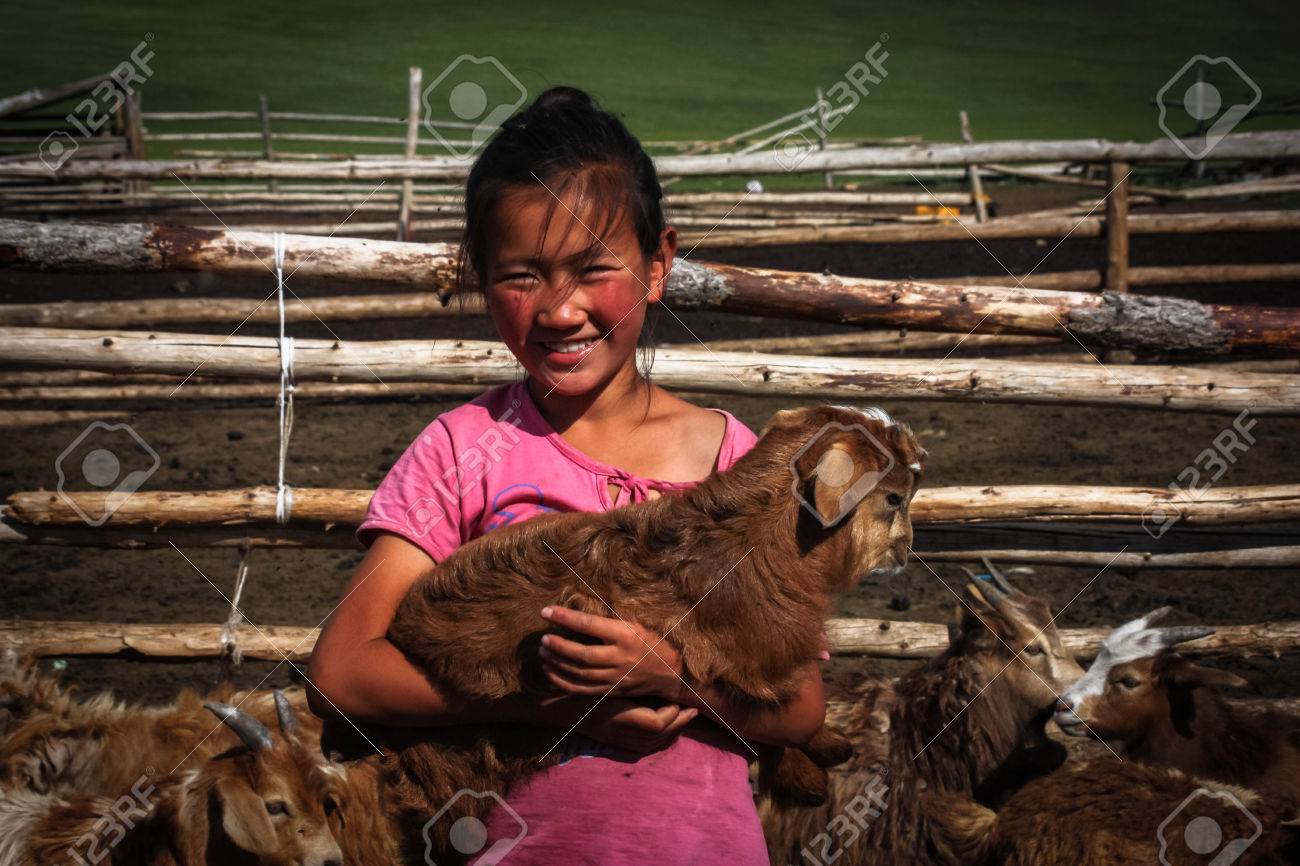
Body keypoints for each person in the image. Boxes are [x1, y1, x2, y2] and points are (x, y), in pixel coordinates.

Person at [306, 85, 825, 864]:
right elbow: (343, 672)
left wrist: (672, 678)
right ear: (482, 276)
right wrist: (551, 705)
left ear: (658, 265)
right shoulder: (462, 451)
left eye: (592, 269)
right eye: (522, 275)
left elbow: (799, 708)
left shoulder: (731, 461)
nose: (559, 309)